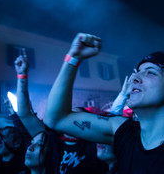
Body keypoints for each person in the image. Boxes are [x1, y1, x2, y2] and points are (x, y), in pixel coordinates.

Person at [43, 33, 164, 173]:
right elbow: (56, 119)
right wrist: (73, 58)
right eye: (137, 72)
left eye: (151, 72)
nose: (135, 78)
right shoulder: (123, 131)